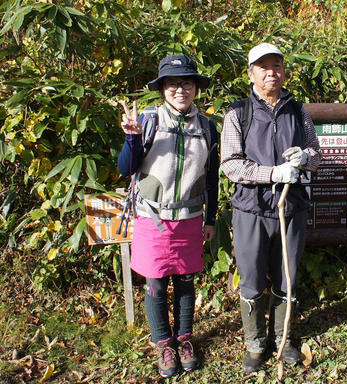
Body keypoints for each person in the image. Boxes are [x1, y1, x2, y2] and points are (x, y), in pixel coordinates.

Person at [220, 43, 321, 373]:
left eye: (276, 65)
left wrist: (305, 159)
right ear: (251, 73)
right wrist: (272, 173)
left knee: (285, 276)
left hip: (291, 209)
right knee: (250, 278)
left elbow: (316, 155)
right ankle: (255, 343)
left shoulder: (298, 111)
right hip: (251, 210)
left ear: (284, 70)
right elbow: (232, 165)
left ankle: (283, 338)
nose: (271, 72)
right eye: (263, 66)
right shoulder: (238, 113)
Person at [117, 54, 218, 377]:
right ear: (162, 89)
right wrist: (132, 138)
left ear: (195, 88)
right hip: (152, 217)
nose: (180, 90)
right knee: (156, 284)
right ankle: (164, 343)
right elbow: (126, 169)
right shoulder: (148, 121)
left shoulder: (206, 127)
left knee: (186, 283)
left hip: (189, 218)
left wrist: (211, 218)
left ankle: (184, 339)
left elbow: (212, 176)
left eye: (186, 83)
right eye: (173, 84)